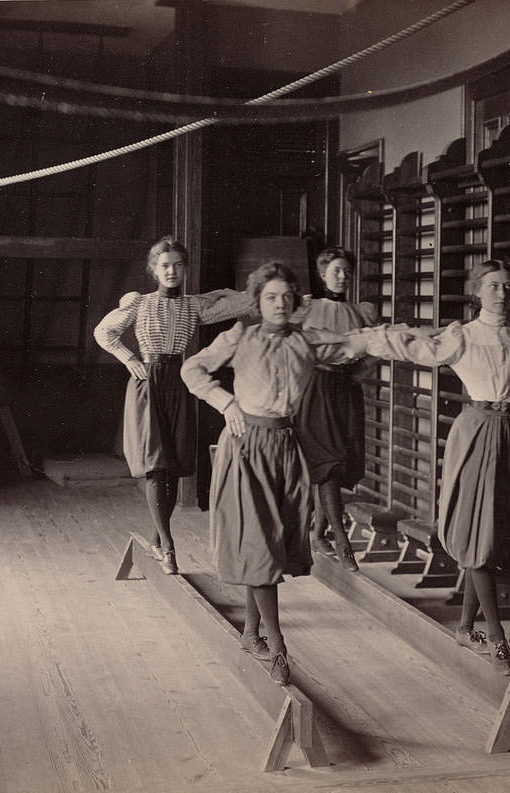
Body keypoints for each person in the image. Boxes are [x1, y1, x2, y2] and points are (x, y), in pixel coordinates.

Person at [363, 260, 510, 675]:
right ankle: (498, 638)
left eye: (508, 286)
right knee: (477, 530)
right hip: (475, 433)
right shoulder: (462, 336)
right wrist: (376, 337)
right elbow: (413, 350)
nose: (502, 293)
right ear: (477, 290)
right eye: (493, 286)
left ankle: (467, 625)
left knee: (492, 532)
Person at [181, 260, 365, 685]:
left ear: (297, 301)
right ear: (257, 302)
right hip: (247, 448)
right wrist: (225, 403)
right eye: (270, 297)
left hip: (286, 448)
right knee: (259, 545)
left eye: (287, 297)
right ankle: (280, 647)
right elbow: (192, 370)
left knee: (268, 546)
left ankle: (250, 632)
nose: (279, 304)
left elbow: (354, 345)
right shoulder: (239, 337)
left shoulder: (307, 341)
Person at [93, 236, 252, 575]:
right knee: (154, 464)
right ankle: (168, 546)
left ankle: (156, 539)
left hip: (179, 381)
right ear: (154, 269)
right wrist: (128, 358)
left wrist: (280, 297)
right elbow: (104, 332)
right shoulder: (138, 303)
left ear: (185, 269)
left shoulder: (194, 305)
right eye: (165, 265)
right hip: (147, 382)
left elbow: (242, 306)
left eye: (178, 265)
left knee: (175, 464)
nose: (172, 271)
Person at [293, 247, 377, 572]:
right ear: (323, 273)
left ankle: (318, 533)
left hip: (347, 390)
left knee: (341, 462)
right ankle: (342, 540)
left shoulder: (362, 312)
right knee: (328, 460)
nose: (342, 277)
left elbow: (374, 349)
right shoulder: (307, 308)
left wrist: (362, 371)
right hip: (315, 388)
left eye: (347, 271)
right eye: (336, 271)